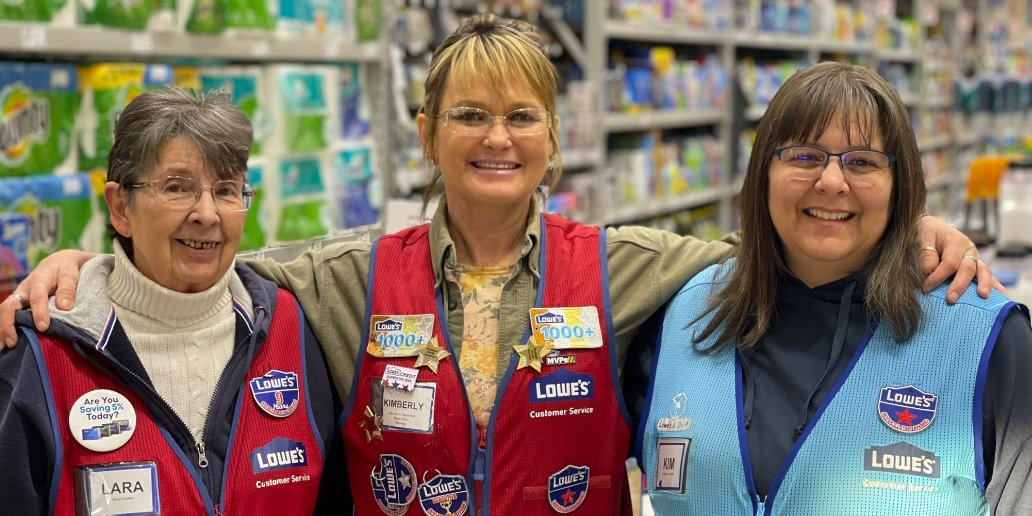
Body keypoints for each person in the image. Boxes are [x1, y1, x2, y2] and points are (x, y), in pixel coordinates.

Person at [0, 17, 996, 516]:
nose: (497, 138)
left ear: (554, 142)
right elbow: (199, 260)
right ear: (428, 133)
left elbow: (792, 240)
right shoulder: (341, 276)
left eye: (522, 116)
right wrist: (87, 262)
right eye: (470, 115)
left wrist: (915, 229)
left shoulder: (629, 268)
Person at [637, 62, 1032, 514]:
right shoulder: (681, 313)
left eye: (862, 162)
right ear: (762, 173)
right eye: (804, 156)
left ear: (899, 186)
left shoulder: (983, 338)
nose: (830, 182)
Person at [0, 88, 343, 515]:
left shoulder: (293, 327)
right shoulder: (42, 355)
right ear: (120, 207)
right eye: (177, 187)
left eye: (226, 190)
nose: (207, 213)